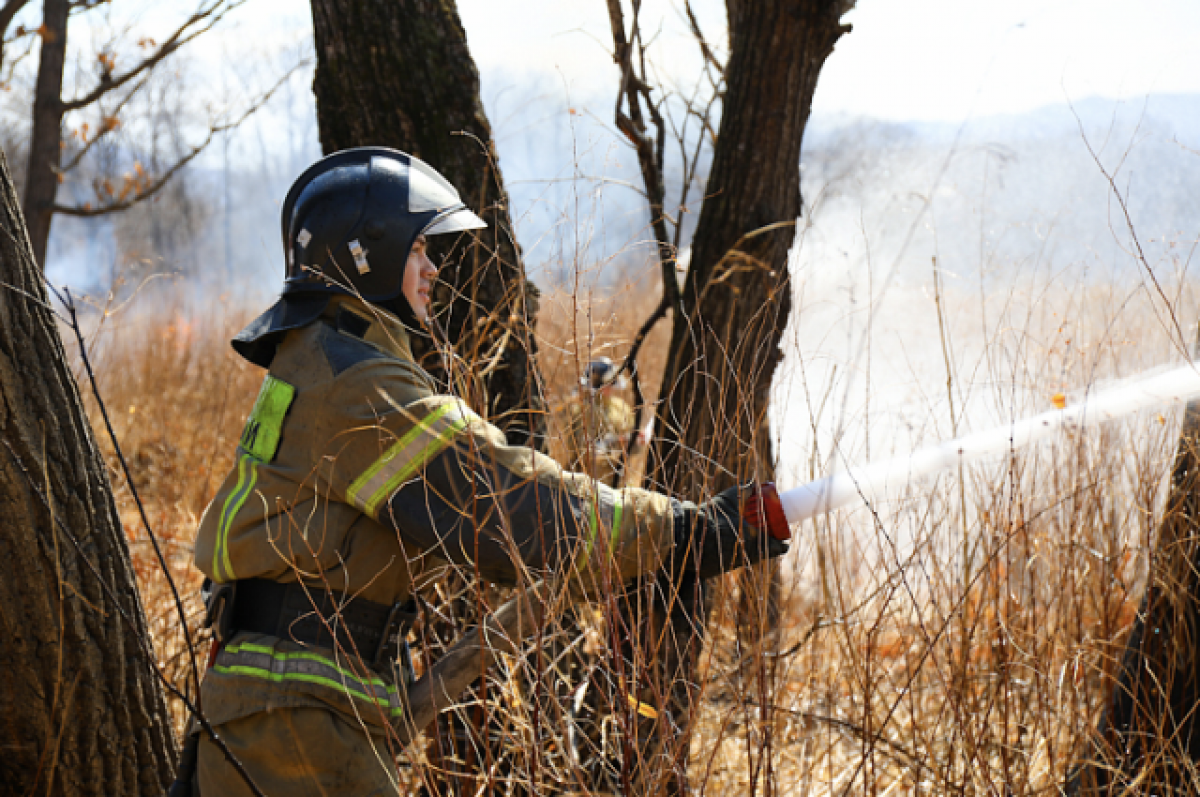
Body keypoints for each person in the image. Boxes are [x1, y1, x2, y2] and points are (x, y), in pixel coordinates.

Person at [187, 147, 789, 795]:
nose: (433, 268)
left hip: (290, 705)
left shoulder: (321, 362)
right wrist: (684, 531)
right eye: (418, 249)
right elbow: (509, 508)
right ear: (367, 254)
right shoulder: (358, 383)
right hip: (294, 717)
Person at [563, 356, 648, 486]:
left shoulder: (621, 408)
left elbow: (633, 448)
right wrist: (614, 443)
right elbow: (581, 450)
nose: (610, 387)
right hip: (586, 483)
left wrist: (637, 440)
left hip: (620, 482)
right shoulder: (581, 410)